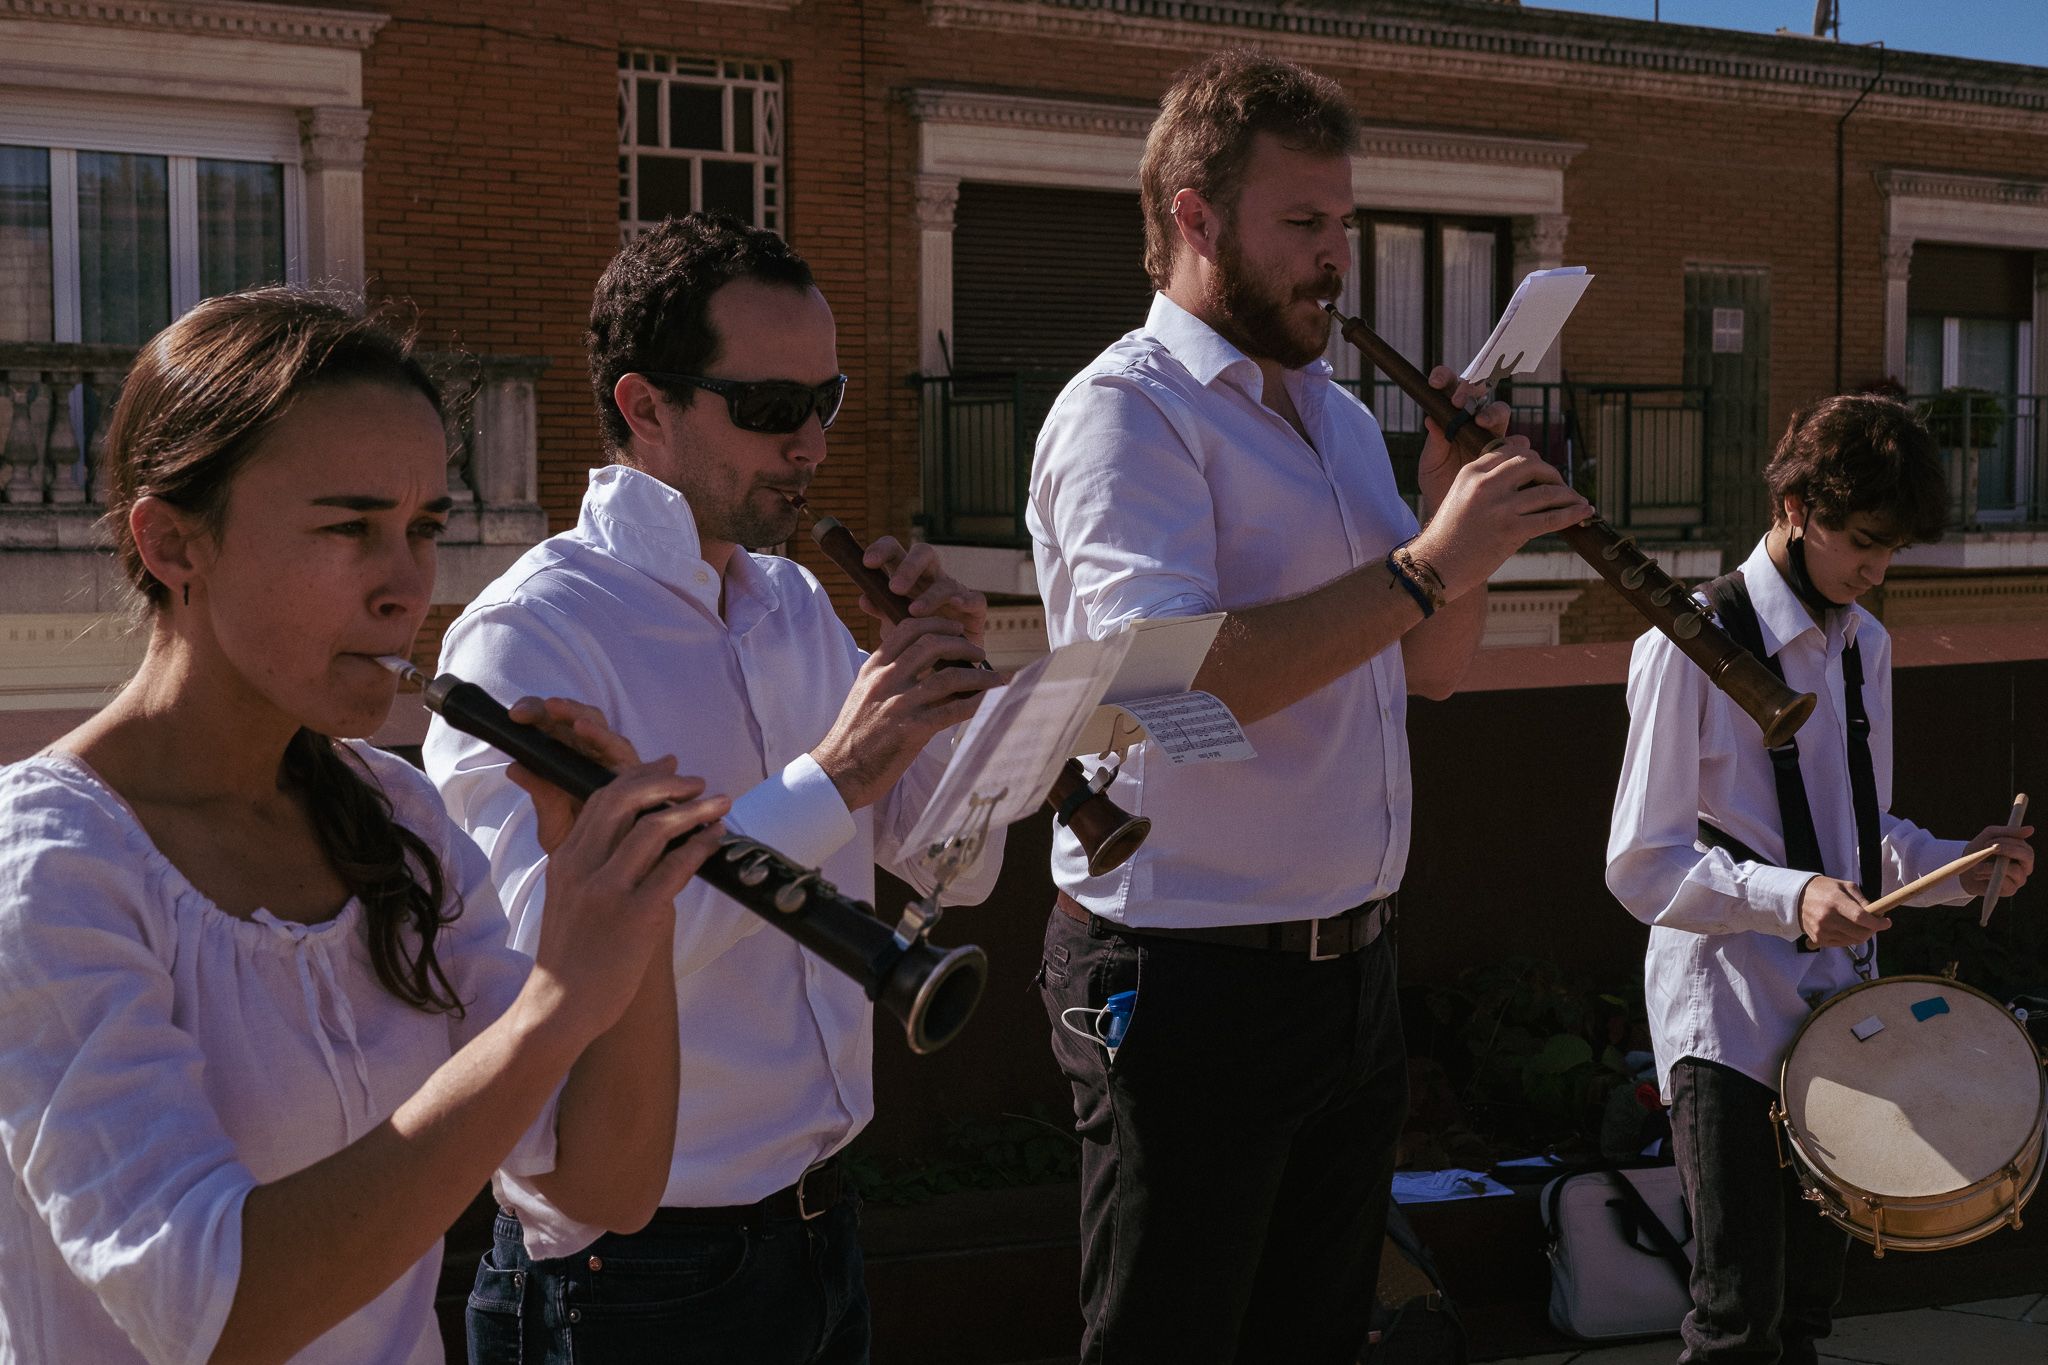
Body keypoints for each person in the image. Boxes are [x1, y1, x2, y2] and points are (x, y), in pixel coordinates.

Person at [0, 288, 724, 1364]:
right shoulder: (49, 863)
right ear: (172, 543)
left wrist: (630, 897)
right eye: (350, 528)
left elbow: (604, 1186)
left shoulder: (396, 816)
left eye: (422, 528)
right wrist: (558, 1002)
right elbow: (215, 1310)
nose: (405, 589)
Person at [1026, 50, 1593, 1364]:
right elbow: (1164, 681)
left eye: (1343, 223)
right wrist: (1429, 560)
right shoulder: (1127, 414)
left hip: (1351, 975)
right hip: (1182, 976)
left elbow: (1427, 667)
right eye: (1301, 224)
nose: (1335, 260)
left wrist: (1453, 522)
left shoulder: (1334, 418)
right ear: (1195, 218)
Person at [425, 211, 1005, 1365]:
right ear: (645, 407)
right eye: (772, 407)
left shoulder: (795, 604)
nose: (812, 445)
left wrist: (948, 702)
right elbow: (537, 985)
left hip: (820, 1229)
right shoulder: (529, 639)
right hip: (630, 1277)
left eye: (825, 400)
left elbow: (963, 872)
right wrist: (832, 777)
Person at [1607, 393, 2035, 1365]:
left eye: (1893, 551)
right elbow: (1639, 863)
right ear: (1797, 507)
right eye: (1863, 543)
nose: (1876, 572)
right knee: (1734, 1324)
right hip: (1725, 1022)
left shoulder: (1863, 645)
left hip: (1840, 1024)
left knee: (1804, 1316)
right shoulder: (1686, 643)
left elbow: (1860, 837)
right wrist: (1789, 898)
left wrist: (1962, 866)